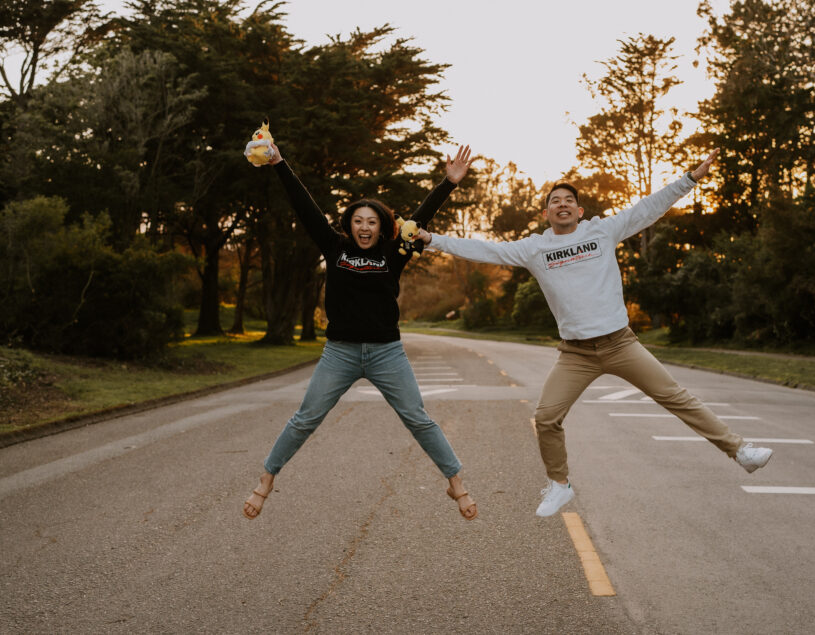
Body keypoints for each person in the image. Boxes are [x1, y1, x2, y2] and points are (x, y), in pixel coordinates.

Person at [419, 149, 772, 517]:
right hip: (576, 354)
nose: (562, 205)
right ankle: (559, 485)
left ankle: (740, 451)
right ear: (546, 214)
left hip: (620, 343)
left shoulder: (602, 231)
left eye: (569, 200)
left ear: (580, 211)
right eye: (555, 201)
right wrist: (434, 240)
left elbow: (648, 208)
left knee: (676, 397)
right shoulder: (535, 247)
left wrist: (691, 178)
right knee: (546, 417)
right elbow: (483, 249)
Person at [243, 142, 478, 521]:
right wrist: (280, 164)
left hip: (387, 353)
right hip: (340, 352)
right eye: (358, 221)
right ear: (348, 225)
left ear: (380, 226)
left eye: (371, 221)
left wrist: (448, 184)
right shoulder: (333, 247)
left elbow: (420, 216)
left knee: (418, 418)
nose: (364, 227)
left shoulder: (394, 252)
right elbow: (304, 208)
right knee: (305, 418)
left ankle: (456, 482)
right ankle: (266, 478)